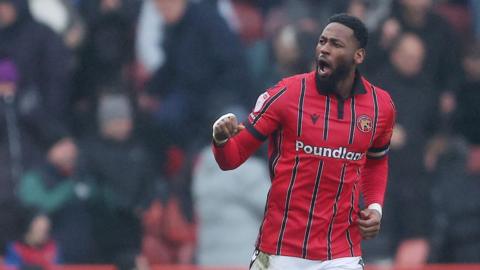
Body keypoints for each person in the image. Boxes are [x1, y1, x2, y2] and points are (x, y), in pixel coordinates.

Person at [212, 14, 396, 269]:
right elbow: (231, 159)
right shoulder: (286, 94)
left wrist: (375, 207)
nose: (324, 49)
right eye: (322, 41)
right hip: (280, 251)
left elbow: (376, 161)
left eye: (336, 44)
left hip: (342, 253)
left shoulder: (380, 106)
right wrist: (220, 140)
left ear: (359, 56)